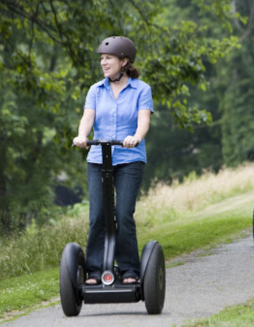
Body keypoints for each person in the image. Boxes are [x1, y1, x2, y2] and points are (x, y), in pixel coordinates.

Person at [73, 36, 153, 285]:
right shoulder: (95, 90)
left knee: (123, 213)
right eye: (102, 59)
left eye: (108, 58)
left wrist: (136, 137)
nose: (104, 63)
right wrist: (82, 135)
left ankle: (129, 269)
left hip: (130, 159)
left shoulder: (141, 89)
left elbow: (143, 122)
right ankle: (95, 271)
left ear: (124, 61)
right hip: (98, 159)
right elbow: (88, 118)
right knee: (98, 215)